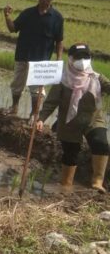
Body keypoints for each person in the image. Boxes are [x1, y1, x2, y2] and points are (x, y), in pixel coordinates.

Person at [36, 43, 110, 192]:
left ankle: (97, 181)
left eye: (86, 57)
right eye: (78, 57)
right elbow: (51, 102)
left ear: (90, 59)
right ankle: (66, 184)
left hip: (92, 119)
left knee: (100, 143)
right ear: (70, 59)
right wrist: (41, 119)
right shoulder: (62, 80)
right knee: (71, 152)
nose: (82, 61)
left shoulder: (96, 78)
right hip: (69, 122)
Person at [4, 0, 64, 117]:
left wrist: (59, 58)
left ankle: (34, 114)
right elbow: (13, 28)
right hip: (23, 55)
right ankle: (14, 107)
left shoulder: (57, 18)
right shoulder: (27, 13)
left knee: (36, 90)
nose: (45, 0)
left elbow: (59, 40)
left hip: (41, 61)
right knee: (17, 84)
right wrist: (7, 16)